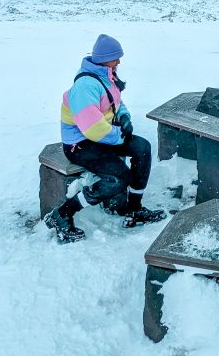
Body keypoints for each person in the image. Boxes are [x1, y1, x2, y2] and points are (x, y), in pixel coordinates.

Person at [44, 33, 165, 243]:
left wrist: (124, 117)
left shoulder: (106, 76)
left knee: (142, 148)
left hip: (103, 137)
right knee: (119, 177)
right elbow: (92, 128)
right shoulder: (85, 86)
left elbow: (116, 103)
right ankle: (63, 213)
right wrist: (120, 135)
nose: (119, 61)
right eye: (116, 57)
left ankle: (134, 209)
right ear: (104, 58)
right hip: (80, 144)